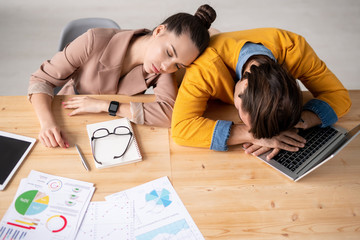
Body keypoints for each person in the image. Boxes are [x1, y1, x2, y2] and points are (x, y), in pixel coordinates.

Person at [28, 4, 217, 148]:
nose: (167, 66)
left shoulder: (160, 69)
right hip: (71, 114)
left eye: (178, 65)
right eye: (168, 52)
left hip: (115, 130)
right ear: (159, 31)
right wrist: (47, 123)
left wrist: (106, 106)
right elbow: (41, 80)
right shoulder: (93, 40)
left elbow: (170, 114)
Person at [171, 28, 351, 159]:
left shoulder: (296, 50)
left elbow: (339, 96)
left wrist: (297, 123)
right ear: (242, 87)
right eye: (248, 123)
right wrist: (253, 135)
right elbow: (181, 129)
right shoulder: (204, 68)